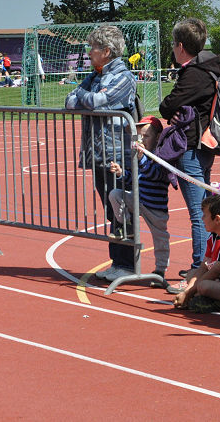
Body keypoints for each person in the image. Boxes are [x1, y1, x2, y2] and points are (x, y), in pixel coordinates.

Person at [65, 25, 137, 281]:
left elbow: (97, 103)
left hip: (117, 154)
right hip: (97, 153)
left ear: (106, 51)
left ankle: (126, 264)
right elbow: (70, 102)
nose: (89, 52)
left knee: (121, 210)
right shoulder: (94, 76)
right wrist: (85, 95)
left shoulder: (123, 77)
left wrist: (83, 95)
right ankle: (118, 261)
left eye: (93, 47)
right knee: (110, 210)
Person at [158, 18, 220, 274]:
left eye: (173, 44)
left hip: (192, 147)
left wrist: (172, 110)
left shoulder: (194, 73)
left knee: (200, 213)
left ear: (181, 46)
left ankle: (199, 268)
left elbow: (168, 105)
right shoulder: (210, 67)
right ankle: (208, 265)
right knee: (206, 210)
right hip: (204, 145)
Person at [107, 116, 171, 284]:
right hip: (138, 200)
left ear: (157, 137)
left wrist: (142, 158)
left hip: (155, 207)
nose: (141, 140)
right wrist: (122, 173)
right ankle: (127, 226)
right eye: (139, 136)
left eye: (146, 136)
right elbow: (135, 179)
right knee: (115, 194)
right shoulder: (138, 156)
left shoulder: (160, 155)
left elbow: (155, 174)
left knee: (161, 239)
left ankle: (160, 270)